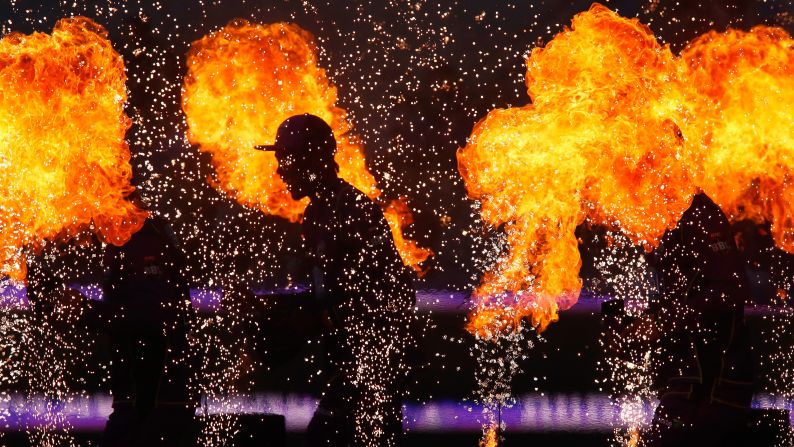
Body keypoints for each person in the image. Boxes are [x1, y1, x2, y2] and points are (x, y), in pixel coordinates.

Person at [256, 114, 416, 447]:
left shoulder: (352, 211)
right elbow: (329, 293)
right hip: (351, 371)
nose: (280, 170)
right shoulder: (320, 212)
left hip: (370, 375)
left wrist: (312, 321)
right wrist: (274, 308)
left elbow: (385, 294)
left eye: (285, 159)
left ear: (311, 159)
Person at [644, 192, 754, 447]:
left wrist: (660, 322)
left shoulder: (700, 214)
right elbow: (685, 298)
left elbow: (730, 291)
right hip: (686, 386)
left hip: (714, 390)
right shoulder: (665, 214)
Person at [98, 194, 197, 447]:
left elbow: (150, 314)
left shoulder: (143, 239)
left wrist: (86, 312)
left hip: (155, 401)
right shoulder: (135, 237)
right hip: (146, 396)